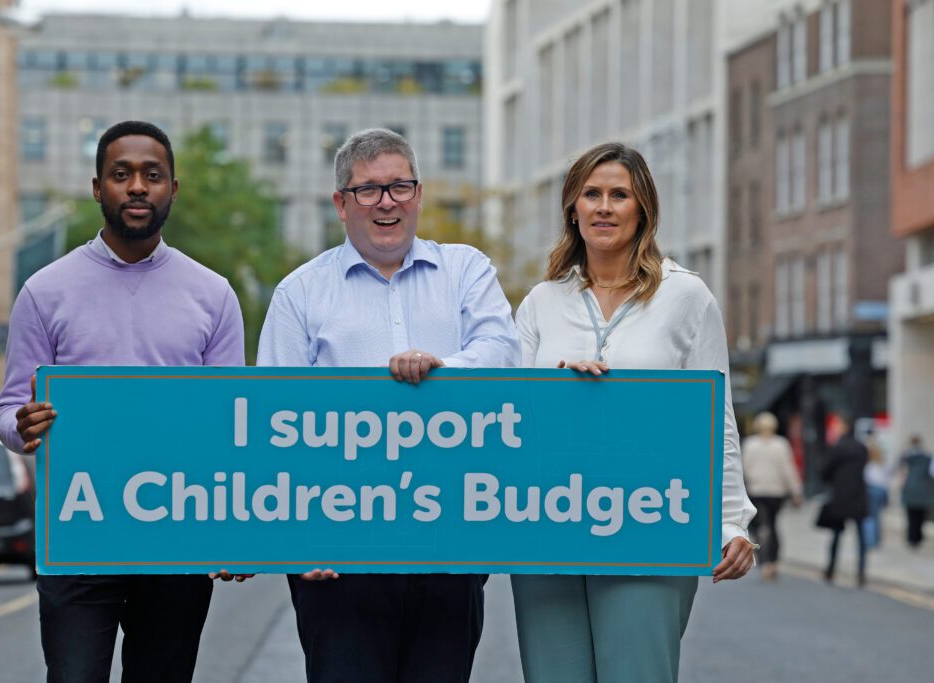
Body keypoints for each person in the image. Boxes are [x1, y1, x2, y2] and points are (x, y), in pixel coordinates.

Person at [255, 127, 520, 682]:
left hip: (451, 536)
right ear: (341, 204)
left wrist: (442, 371)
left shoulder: (466, 270)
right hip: (337, 550)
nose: (386, 202)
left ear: (419, 194)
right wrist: (296, 542)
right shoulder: (299, 293)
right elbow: (273, 423)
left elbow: (501, 354)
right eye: (368, 190)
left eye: (399, 186)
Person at [0, 121, 245, 682]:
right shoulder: (44, 291)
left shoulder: (213, 294)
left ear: (172, 190)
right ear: (97, 187)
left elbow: (232, 425)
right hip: (81, 534)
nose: (137, 187)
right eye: (121, 174)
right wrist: (23, 425)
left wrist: (233, 532)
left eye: (152, 176)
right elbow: (9, 412)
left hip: (177, 538)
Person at [511, 142, 756, 683]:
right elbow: (508, 417)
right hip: (545, 528)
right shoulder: (540, 302)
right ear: (572, 208)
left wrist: (733, 520)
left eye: (618, 195)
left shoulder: (686, 297)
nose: (603, 206)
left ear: (642, 208)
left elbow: (716, 419)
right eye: (590, 194)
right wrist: (553, 385)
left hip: (650, 525)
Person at [743, 411, 803, 580]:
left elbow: (744, 468)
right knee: (773, 524)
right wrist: (796, 491)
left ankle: (764, 561)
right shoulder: (781, 444)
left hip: (756, 491)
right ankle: (773, 561)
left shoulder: (750, 444)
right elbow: (788, 469)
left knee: (762, 526)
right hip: (776, 492)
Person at [820, 413, 869, 587]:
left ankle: (831, 569)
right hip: (858, 495)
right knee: (861, 538)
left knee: (836, 536)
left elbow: (825, 472)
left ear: (845, 427)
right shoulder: (862, 447)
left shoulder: (838, 447)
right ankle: (861, 573)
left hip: (840, 497)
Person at [899, 435, 934, 548]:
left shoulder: (906, 458)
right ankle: (918, 538)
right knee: (920, 516)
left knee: (911, 516)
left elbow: (901, 474)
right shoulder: (927, 458)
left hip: (910, 491)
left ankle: (911, 537)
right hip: (923, 492)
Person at [862, 433, 891, 548]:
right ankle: (876, 539)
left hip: (871, 488)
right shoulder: (881, 461)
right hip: (881, 489)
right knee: (877, 516)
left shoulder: (867, 462)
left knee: (869, 516)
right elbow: (886, 476)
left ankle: (870, 540)